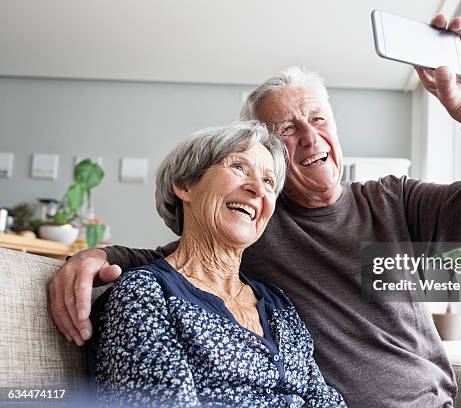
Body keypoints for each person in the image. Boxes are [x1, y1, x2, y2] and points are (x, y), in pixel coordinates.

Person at [50, 15, 461, 407]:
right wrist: (95, 255)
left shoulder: (396, 201)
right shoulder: (256, 222)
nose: (310, 137)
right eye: (286, 128)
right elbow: (179, 263)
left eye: (319, 119)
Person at [87, 121, 346, 407]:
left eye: (269, 182)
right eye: (238, 167)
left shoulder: (278, 305)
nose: (258, 189)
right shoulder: (146, 295)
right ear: (185, 184)